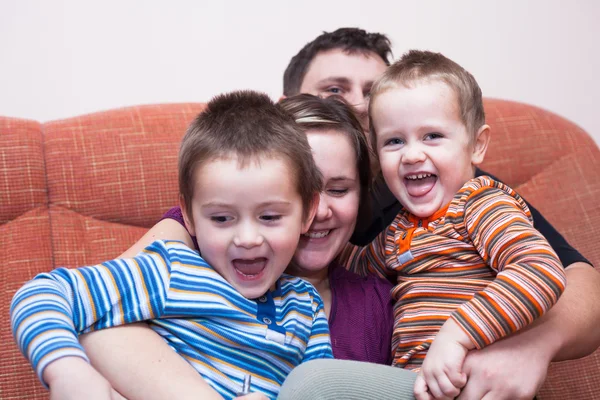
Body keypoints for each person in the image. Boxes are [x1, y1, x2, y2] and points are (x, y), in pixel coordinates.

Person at [82, 28, 600, 400]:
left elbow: (569, 278)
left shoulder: (451, 196)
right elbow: (101, 306)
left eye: (373, 98)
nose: (354, 108)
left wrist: (528, 346)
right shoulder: (228, 225)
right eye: (334, 91)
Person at [10, 91, 334, 400]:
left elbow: (321, 387)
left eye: (269, 216)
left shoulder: (306, 306)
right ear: (189, 217)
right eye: (222, 219)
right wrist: (67, 370)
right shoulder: (172, 271)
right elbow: (42, 294)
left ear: (307, 212)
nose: (247, 238)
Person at [342, 49, 567, 399]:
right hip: (418, 384)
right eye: (394, 141)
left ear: (477, 145)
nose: (412, 154)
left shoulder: (481, 203)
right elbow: (348, 265)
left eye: (432, 135)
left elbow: (540, 270)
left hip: (479, 384)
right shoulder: (399, 232)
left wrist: (458, 333)